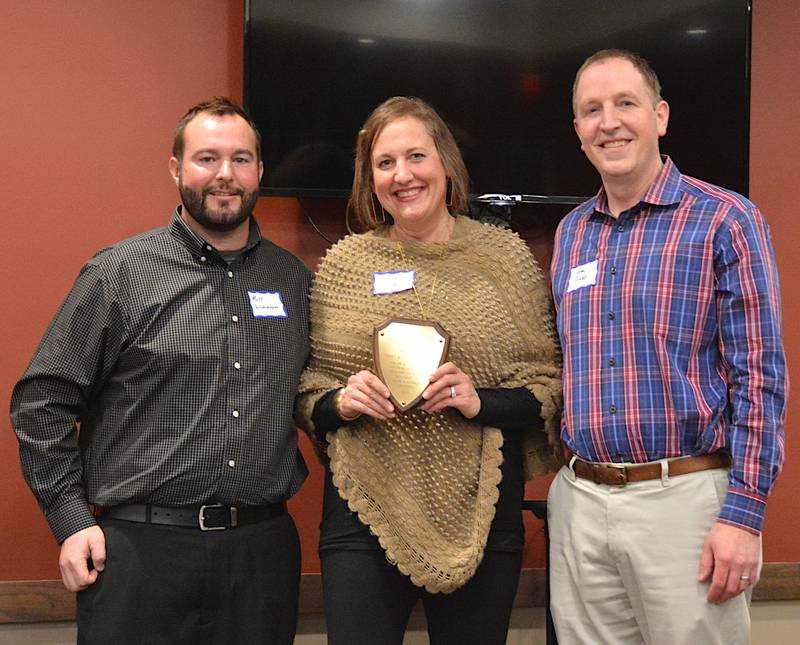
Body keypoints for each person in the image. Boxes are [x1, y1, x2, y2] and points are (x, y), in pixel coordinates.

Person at [10, 97, 310, 645]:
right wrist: (71, 519)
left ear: (260, 171)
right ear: (176, 168)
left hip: (261, 554)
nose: (225, 175)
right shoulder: (118, 274)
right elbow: (42, 402)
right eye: (207, 158)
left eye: (241, 159)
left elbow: (313, 393)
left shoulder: (293, 281)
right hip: (140, 555)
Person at [293, 96, 562, 645]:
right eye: (385, 163)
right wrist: (340, 402)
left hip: (484, 517)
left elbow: (548, 387)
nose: (403, 175)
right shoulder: (343, 266)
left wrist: (477, 399)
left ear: (445, 163)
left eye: (416, 156)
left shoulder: (503, 259)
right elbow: (307, 393)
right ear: (369, 180)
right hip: (362, 516)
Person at [549, 49, 787, 644]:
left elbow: (759, 377)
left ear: (660, 115)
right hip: (581, 500)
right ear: (578, 131)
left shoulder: (726, 219)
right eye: (592, 110)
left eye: (626, 103)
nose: (610, 122)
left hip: (684, 503)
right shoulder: (571, 232)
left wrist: (745, 514)